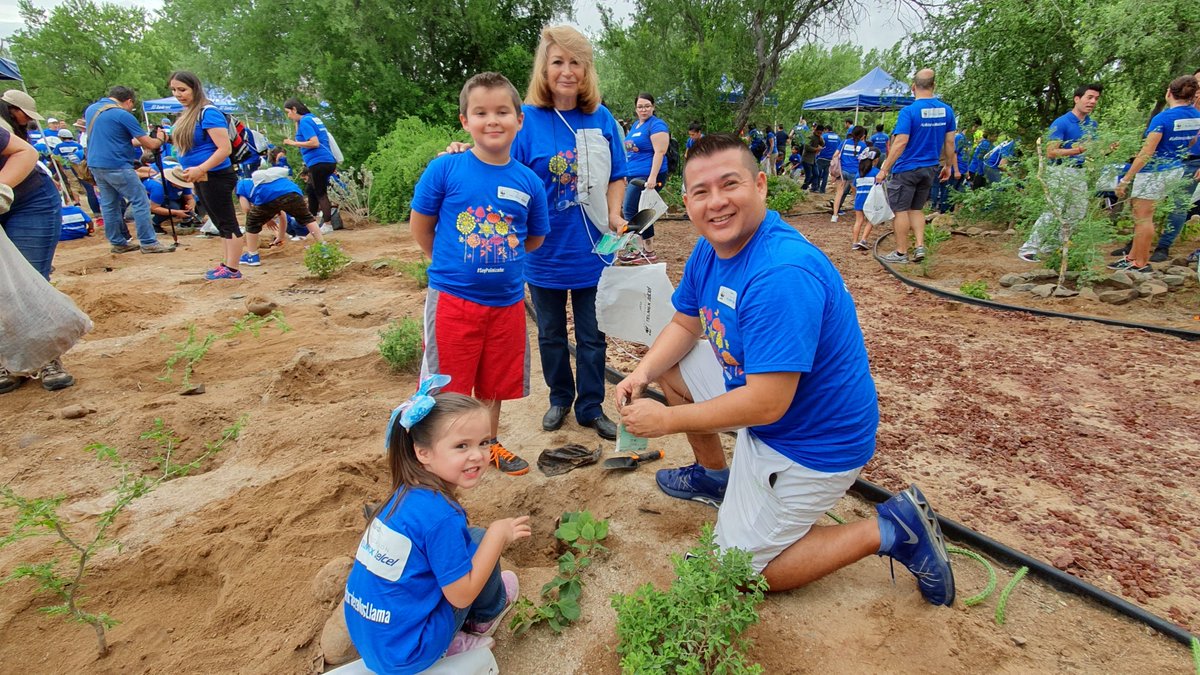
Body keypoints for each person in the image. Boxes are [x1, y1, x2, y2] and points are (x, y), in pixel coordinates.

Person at [615, 134, 955, 605]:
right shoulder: (712, 249)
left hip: (809, 442)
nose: (716, 203)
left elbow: (768, 404)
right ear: (686, 201)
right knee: (671, 366)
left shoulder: (780, 274)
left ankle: (891, 529)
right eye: (700, 192)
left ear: (760, 185)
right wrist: (642, 374)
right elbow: (683, 322)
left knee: (736, 573)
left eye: (728, 184)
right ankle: (716, 478)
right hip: (772, 407)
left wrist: (666, 422)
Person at [410, 72, 549, 476]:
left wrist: (497, 258)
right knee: (448, 386)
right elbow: (421, 225)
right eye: (481, 112)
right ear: (464, 121)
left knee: (494, 384)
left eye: (503, 111)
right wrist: (451, 264)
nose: (493, 120)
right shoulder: (446, 170)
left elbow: (535, 238)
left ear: (519, 120)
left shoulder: (529, 181)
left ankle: (486, 444)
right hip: (453, 302)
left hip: (506, 305)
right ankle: (440, 454)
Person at [343, 380, 530, 673]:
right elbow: (461, 595)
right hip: (410, 651)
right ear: (423, 453)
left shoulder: (404, 493)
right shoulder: (441, 516)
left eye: (484, 442)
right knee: (481, 540)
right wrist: (498, 534)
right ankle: (478, 623)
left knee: (468, 543)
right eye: (461, 446)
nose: (478, 455)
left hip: (373, 636)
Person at [503, 26, 626, 441]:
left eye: (576, 62)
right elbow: (507, 173)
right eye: (558, 62)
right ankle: (559, 398)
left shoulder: (602, 118)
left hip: (594, 250)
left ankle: (590, 406)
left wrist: (614, 213)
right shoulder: (527, 120)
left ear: (586, 69)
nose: (567, 71)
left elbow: (620, 175)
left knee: (593, 337)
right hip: (543, 254)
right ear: (545, 67)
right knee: (551, 334)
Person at [0, 103, 74, 393]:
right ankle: (8, 359)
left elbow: (25, 152)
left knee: (29, 281)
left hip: (29, 201)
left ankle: (47, 358)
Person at [1112, 74, 1200, 273]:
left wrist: (1126, 179)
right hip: (1176, 168)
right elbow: (1193, 141)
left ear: (1169, 92)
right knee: (1141, 213)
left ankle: (1140, 263)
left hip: (1154, 171)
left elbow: (1146, 152)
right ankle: (1132, 257)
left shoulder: (1162, 118)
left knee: (1144, 217)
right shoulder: (1195, 116)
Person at [877, 69, 958, 264]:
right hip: (930, 168)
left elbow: (900, 142)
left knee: (901, 211)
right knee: (917, 209)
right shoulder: (946, 111)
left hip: (907, 168)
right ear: (934, 86)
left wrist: (884, 168)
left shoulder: (909, 111)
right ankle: (920, 246)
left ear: (913, 87)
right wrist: (948, 166)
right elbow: (949, 143)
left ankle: (901, 252)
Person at [82, 86, 176, 254]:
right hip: (117, 164)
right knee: (139, 200)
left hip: (96, 164)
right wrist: (161, 138)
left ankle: (117, 242)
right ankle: (148, 241)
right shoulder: (122, 115)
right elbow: (151, 145)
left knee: (109, 204)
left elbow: (117, 140)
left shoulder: (92, 110)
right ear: (129, 101)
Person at [168, 71, 242, 280]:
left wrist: (201, 168)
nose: (178, 94)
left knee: (228, 222)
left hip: (216, 176)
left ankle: (233, 269)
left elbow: (224, 148)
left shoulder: (208, 113)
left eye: (182, 89)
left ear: (195, 88)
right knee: (219, 222)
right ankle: (227, 264)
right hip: (200, 177)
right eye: (174, 90)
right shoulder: (189, 114)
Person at [1018, 84, 1102, 263]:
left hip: (1080, 172)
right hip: (1060, 170)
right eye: (1089, 97)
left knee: (1077, 212)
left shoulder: (1091, 125)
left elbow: (1093, 150)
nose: (1093, 101)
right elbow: (1051, 151)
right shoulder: (1061, 122)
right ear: (1077, 99)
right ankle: (1029, 249)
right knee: (1053, 210)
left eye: (1096, 98)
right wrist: (1078, 150)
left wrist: (1106, 149)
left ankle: (1052, 247)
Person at [235, 166, 325, 265]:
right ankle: (324, 248)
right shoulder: (267, 180)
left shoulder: (241, 184)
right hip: (292, 190)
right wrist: (280, 237)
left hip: (268, 196)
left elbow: (246, 208)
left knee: (251, 223)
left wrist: (265, 218)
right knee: (307, 218)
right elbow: (282, 215)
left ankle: (252, 256)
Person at [620, 92, 669, 264]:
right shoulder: (636, 125)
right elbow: (631, 153)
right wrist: (626, 173)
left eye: (647, 106)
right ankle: (648, 251)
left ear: (653, 107)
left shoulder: (657, 126)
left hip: (648, 175)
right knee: (641, 211)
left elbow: (660, 152)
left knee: (629, 210)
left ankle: (637, 249)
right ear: (636, 109)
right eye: (640, 106)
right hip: (634, 174)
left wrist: (652, 178)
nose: (644, 109)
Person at [283, 98, 338, 232]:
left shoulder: (305, 121)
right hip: (327, 160)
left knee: (320, 192)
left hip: (319, 161)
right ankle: (309, 221)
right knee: (311, 190)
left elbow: (314, 143)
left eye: (288, 112)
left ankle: (328, 224)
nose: (288, 116)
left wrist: (293, 143)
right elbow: (301, 136)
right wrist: (297, 122)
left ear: (294, 109)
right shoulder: (312, 118)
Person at [831, 125, 868, 221]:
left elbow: (835, 155)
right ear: (862, 135)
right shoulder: (863, 145)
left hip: (842, 172)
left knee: (839, 193)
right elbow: (864, 160)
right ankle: (858, 216)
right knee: (856, 194)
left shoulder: (844, 142)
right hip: (854, 173)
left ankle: (834, 216)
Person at [144, 166, 196, 233]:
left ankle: (187, 220)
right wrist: (176, 212)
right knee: (173, 207)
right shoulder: (159, 188)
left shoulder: (182, 185)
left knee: (196, 199)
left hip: (170, 197)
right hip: (153, 201)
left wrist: (191, 206)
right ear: (174, 183)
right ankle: (153, 223)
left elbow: (190, 198)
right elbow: (154, 208)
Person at [851, 148, 881, 251]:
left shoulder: (858, 173)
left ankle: (854, 242)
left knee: (858, 221)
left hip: (859, 199)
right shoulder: (877, 172)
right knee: (870, 220)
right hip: (871, 200)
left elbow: (854, 186)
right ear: (876, 160)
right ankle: (863, 239)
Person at [814, 124, 840, 194]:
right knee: (826, 175)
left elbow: (819, 145)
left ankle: (816, 187)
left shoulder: (824, 136)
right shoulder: (837, 137)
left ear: (826, 130)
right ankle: (822, 190)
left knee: (818, 174)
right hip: (831, 159)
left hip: (822, 157)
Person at [800, 126, 824, 191]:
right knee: (809, 176)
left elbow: (823, 144)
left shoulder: (819, 137)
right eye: (818, 133)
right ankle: (804, 188)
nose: (819, 134)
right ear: (815, 131)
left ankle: (810, 187)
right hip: (806, 159)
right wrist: (816, 149)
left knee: (816, 174)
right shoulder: (809, 136)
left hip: (813, 159)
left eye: (821, 133)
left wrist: (821, 139)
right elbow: (806, 147)